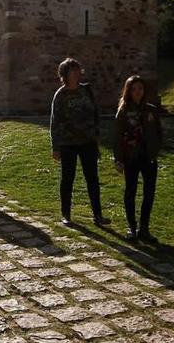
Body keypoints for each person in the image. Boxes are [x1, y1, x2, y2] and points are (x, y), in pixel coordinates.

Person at [50, 58, 110, 227]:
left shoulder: (87, 90)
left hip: (88, 142)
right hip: (68, 143)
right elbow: (55, 122)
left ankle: (98, 215)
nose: (76, 73)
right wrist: (55, 146)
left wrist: (97, 137)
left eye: (77, 70)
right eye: (72, 71)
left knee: (92, 179)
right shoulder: (60, 95)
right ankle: (66, 214)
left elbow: (95, 115)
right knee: (67, 179)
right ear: (64, 74)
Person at [114, 75, 163, 243]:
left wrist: (156, 149)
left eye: (140, 88)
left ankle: (144, 228)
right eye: (134, 89)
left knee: (149, 193)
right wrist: (119, 159)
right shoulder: (124, 111)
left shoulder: (150, 109)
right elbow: (118, 136)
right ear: (128, 91)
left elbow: (158, 131)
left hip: (148, 157)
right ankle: (132, 227)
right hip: (131, 157)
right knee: (131, 192)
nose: (137, 92)